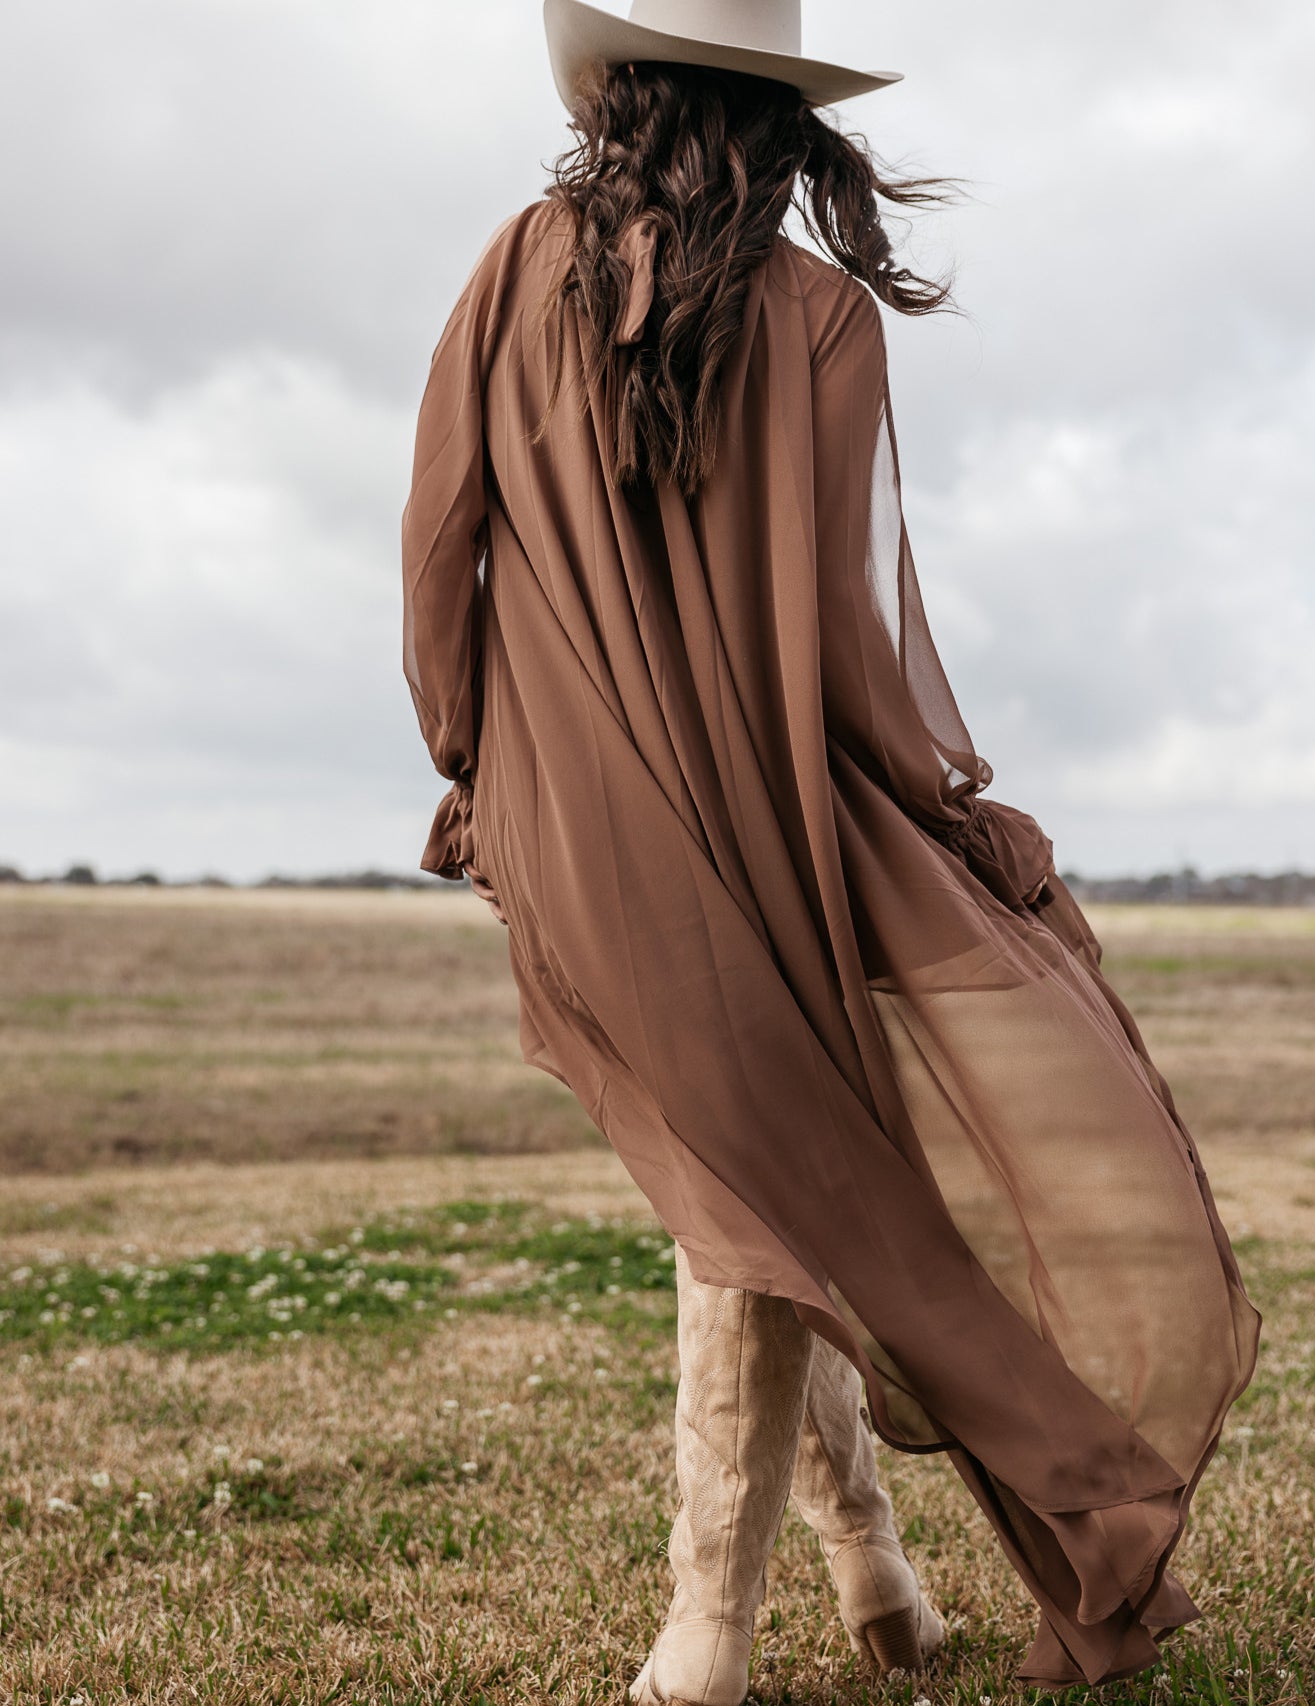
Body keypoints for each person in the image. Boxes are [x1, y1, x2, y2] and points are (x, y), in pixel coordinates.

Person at [400, 2, 1261, 1697]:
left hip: (572, 817)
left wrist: (470, 765)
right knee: (774, 1181)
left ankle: (862, 1560)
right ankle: (710, 1630)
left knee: (769, 1184)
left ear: (620, 88)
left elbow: (438, 548)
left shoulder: (511, 268)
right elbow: (856, 660)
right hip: (759, 821)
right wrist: (952, 816)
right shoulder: (823, 321)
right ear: (776, 108)